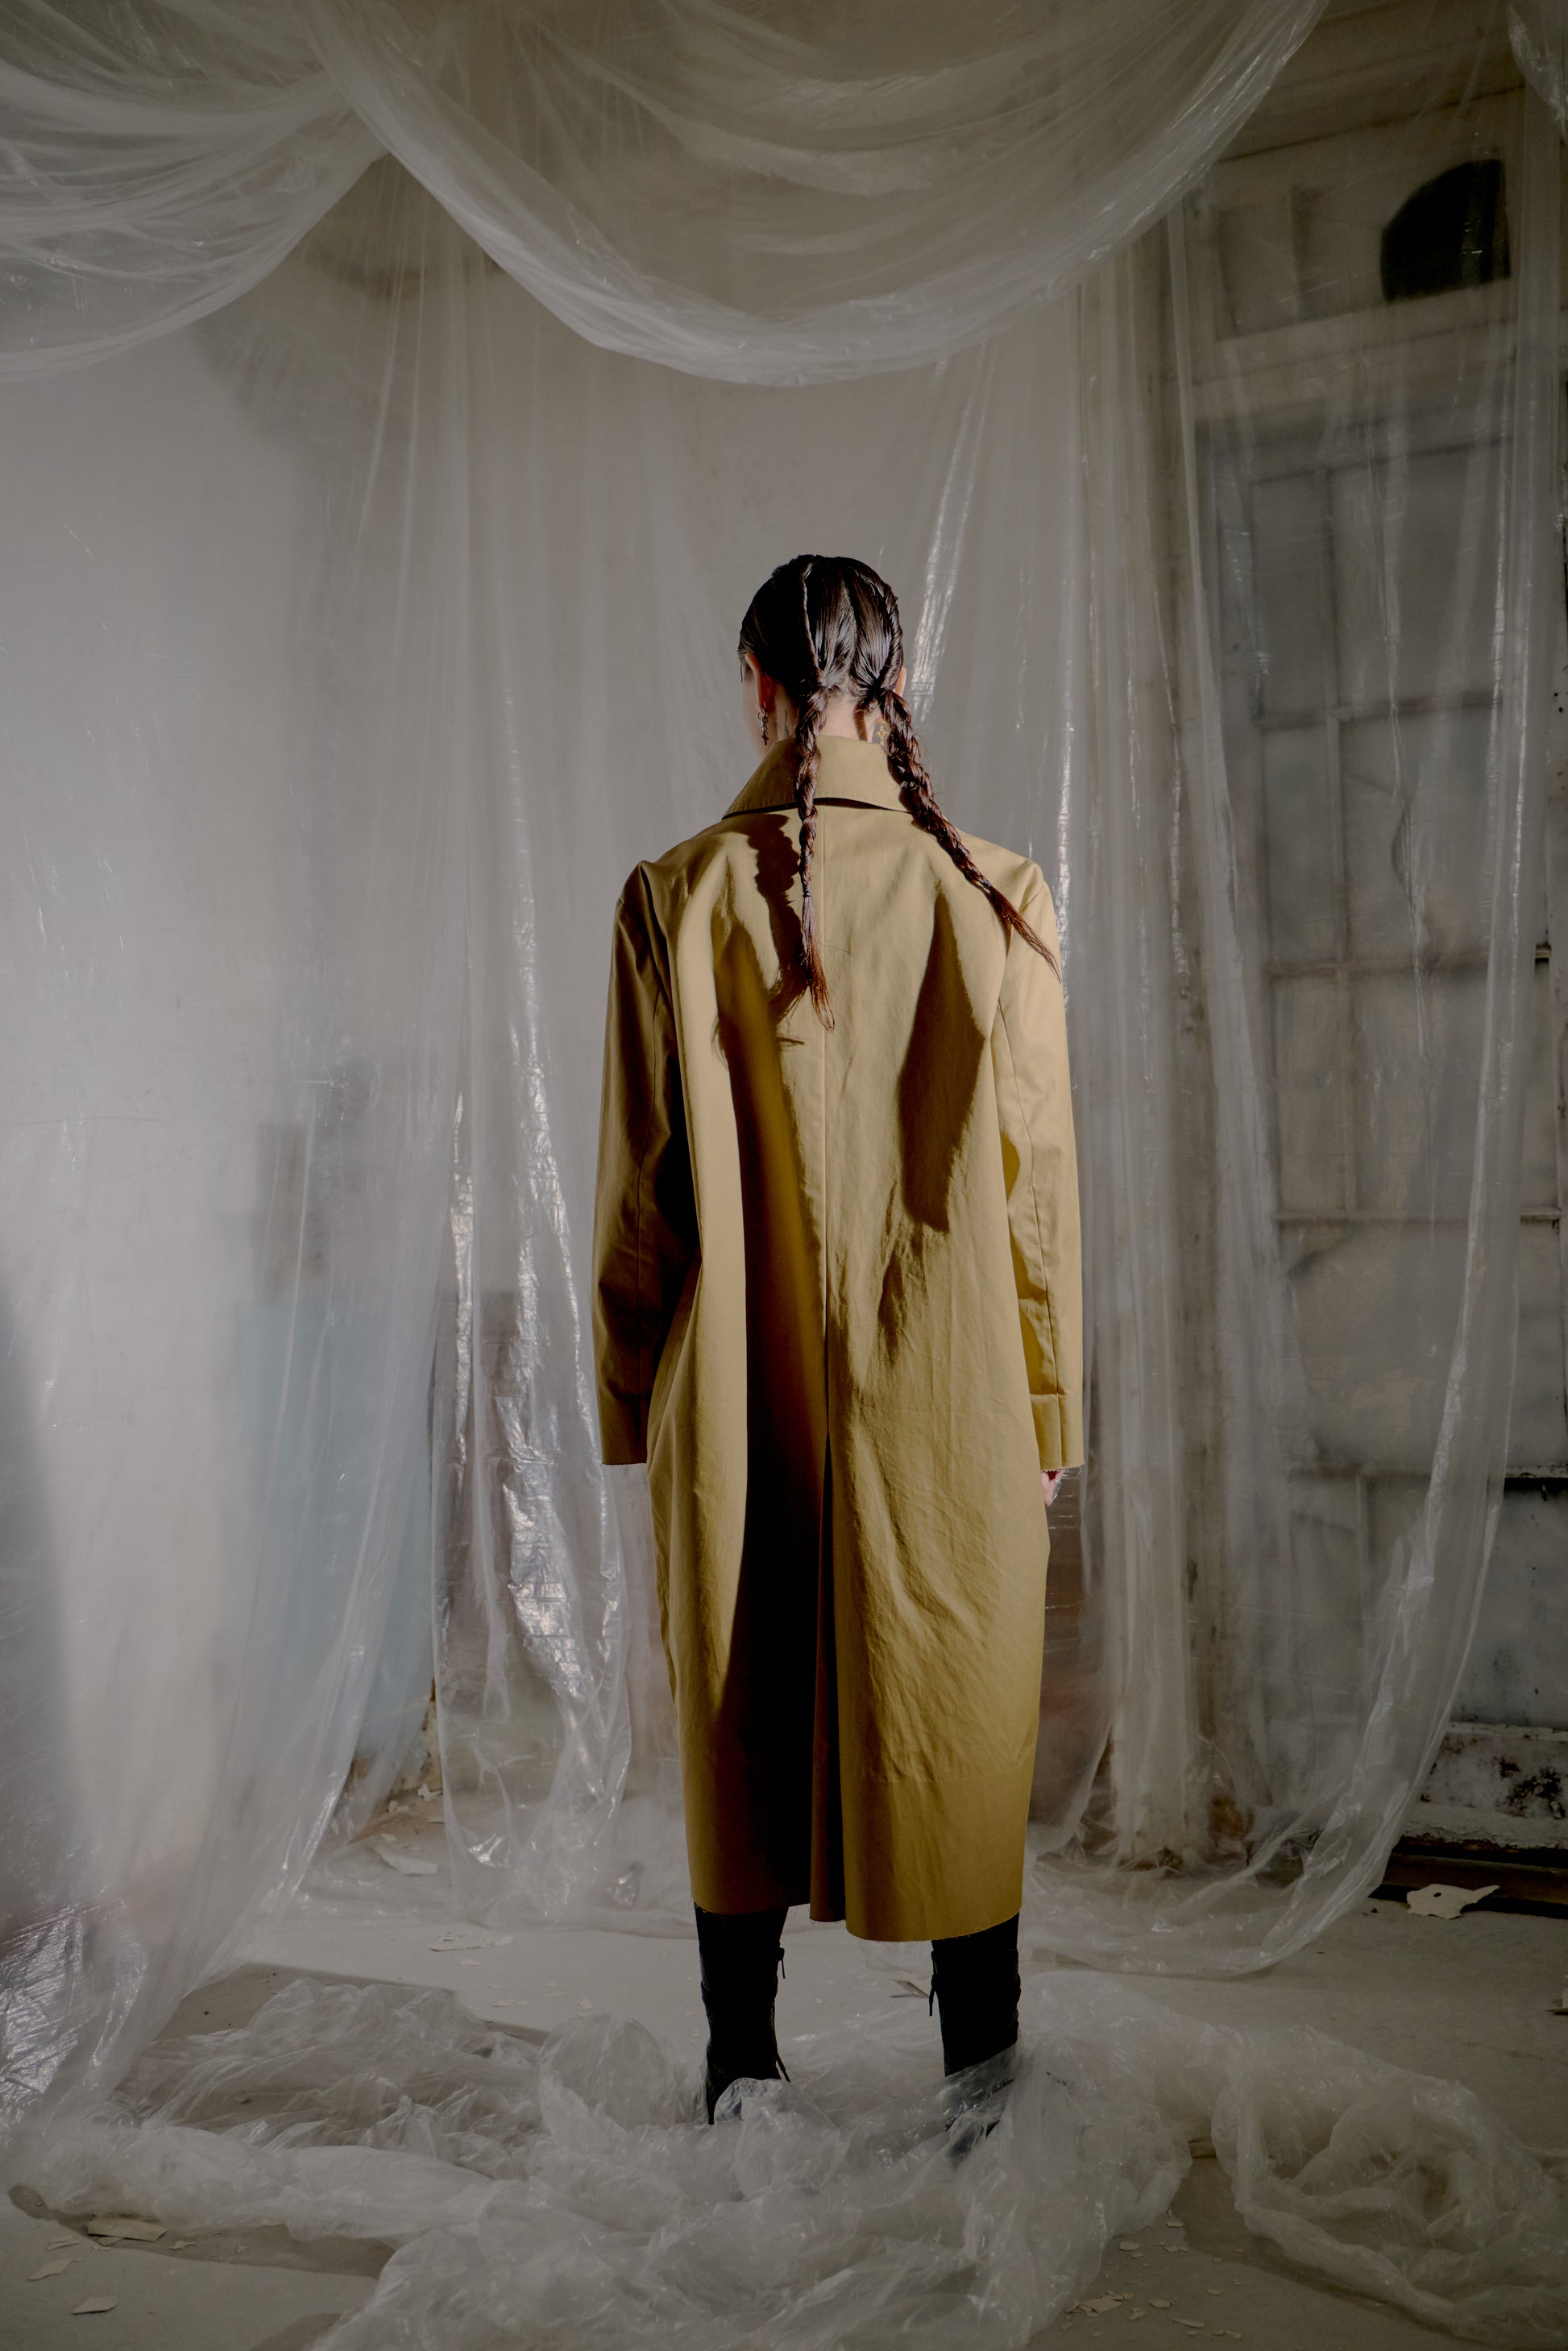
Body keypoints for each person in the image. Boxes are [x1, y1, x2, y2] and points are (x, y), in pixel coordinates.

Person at [591, 554, 1082, 2125]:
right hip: (956, 1401)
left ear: (755, 683)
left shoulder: (671, 896)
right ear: (888, 686)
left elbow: (638, 1204)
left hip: (727, 1395)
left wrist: (631, 1406)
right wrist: (1047, 1412)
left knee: (739, 1707)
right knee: (955, 1694)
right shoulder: (997, 892)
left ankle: (742, 2070)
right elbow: (1037, 1203)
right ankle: (982, 2080)